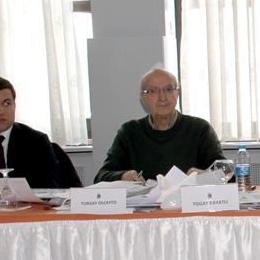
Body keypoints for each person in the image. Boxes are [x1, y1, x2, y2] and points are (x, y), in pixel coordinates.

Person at [95, 67, 224, 182]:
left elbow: (226, 174)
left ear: (177, 93)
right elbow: (102, 176)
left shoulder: (199, 129)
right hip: (143, 202)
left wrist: (204, 175)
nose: (162, 97)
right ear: (143, 98)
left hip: (189, 201)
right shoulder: (129, 132)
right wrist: (123, 176)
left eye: (168, 89)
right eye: (153, 91)